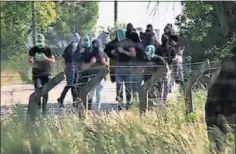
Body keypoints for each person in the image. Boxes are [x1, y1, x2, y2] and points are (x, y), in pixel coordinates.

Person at [28, 33, 55, 114]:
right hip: (36, 74)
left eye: (41, 44)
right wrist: (32, 62)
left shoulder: (48, 49)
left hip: (46, 73)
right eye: (38, 43)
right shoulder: (33, 49)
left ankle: (44, 108)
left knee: (45, 91)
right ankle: (38, 105)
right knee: (38, 88)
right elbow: (29, 58)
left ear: (43, 42)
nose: (40, 45)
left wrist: (45, 58)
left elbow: (53, 61)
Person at [112, 29, 136, 110]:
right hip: (118, 68)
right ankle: (120, 105)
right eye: (117, 34)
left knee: (128, 87)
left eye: (120, 34)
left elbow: (133, 54)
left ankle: (128, 105)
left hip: (128, 68)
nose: (118, 36)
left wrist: (123, 51)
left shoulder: (128, 42)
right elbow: (114, 53)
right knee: (119, 87)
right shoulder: (117, 43)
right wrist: (114, 52)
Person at [57, 33, 82, 108]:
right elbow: (70, 58)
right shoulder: (71, 46)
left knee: (74, 85)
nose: (77, 38)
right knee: (70, 85)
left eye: (78, 37)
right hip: (70, 67)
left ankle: (75, 101)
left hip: (75, 67)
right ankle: (61, 99)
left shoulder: (77, 46)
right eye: (76, 37)